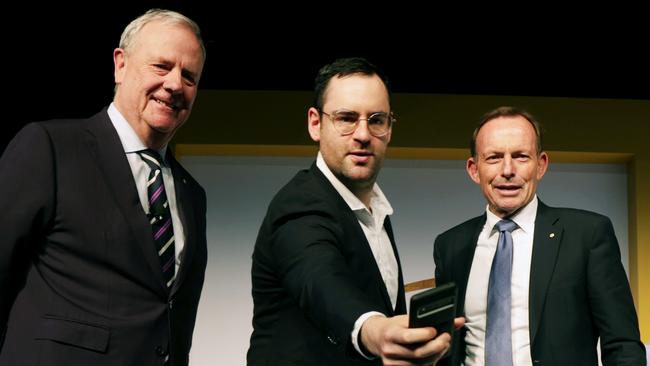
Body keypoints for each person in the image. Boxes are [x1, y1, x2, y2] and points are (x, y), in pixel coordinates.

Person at [0, 9, 207, 365]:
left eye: (189, 76)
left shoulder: (191, 193)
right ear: (120, 65)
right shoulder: (50, 147)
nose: (175, 84)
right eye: (161, 66)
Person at [247, 57, 462, 365]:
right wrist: (374, 330)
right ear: (315, 123)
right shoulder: (300, 205)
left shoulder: (375, 211)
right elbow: (319, 280)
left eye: (376, 120)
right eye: (346, 118)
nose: (363, 134)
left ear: (389, 128)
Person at [433, 106, 645, 365]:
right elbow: (444, 348)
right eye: (493, 158)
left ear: (541, 165)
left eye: (521, 156)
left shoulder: (587, 235)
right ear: (474, 169)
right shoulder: (450, 246)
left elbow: (623, 345)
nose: (507, 170)